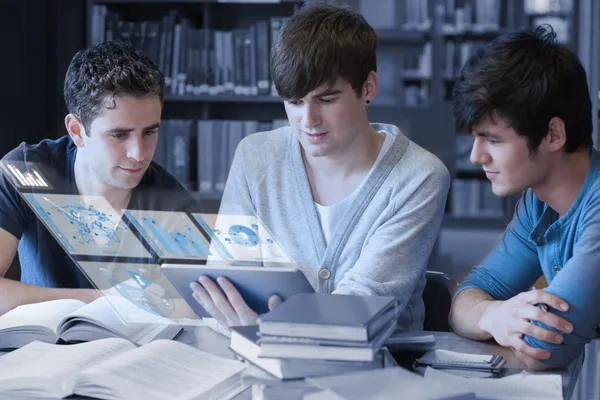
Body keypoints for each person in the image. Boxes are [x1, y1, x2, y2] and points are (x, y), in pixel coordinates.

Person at [190, 3, 450, 332]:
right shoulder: (256, 156)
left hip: (380, 366)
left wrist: (269, 329)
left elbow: (364, 304)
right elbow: (227, 280)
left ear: (367, 88)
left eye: (326, 99)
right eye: (294, 102)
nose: (308, 121)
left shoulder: (419, 176)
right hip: (254, 352)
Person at [0, 40, 199, 315]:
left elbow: (193, 309)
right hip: (37, 349)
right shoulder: (27, 172)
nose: (139, 153)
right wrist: (103, 300)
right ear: (77, 131)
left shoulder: (174, 207)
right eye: (119, 135)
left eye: (149, 132)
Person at [449, 25, 598, 383]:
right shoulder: (538, 204)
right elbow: (464, 300)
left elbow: (541, 349)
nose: (475, 156)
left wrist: (494, 316)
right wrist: (493, 316)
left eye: (493, 140)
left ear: (553, 135)